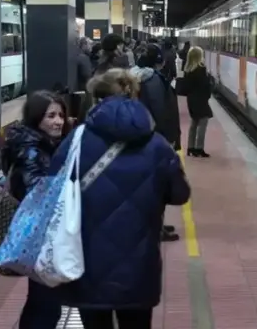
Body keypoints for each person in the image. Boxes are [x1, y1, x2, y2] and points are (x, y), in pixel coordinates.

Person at [50, 69, 191, 329]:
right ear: (134, 95)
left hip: (86, 261)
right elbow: (180, 194)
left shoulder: (77, 141)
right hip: (139, 265)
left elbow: (52, 188)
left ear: (97, 98)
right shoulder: (157, 144)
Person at [2, 91, 71, 329]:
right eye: (50, 116)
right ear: (36, 118)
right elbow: (39, 191)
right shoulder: (31, 149)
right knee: (45, 302)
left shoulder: (43, 143)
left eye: (61, 115)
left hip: (43, 232)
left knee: (43, 300)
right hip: (40, 233)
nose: (58, 121)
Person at [130, 44, 182, 242]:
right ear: (158, 62)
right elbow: (161, 111)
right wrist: (168, 138)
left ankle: (155, 224)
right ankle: (154, 227)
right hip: (155, 139)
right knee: (156, 187)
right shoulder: (153, 80)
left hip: (142, 138)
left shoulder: (134, 77)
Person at [183, 47, 213, 157]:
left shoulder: (187, 69)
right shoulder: (201, 69)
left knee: (194, 122)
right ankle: (199, 148)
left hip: (191, 99)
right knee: (203, 122)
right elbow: (205, 85)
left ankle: (190, 147)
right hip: (200, 99)